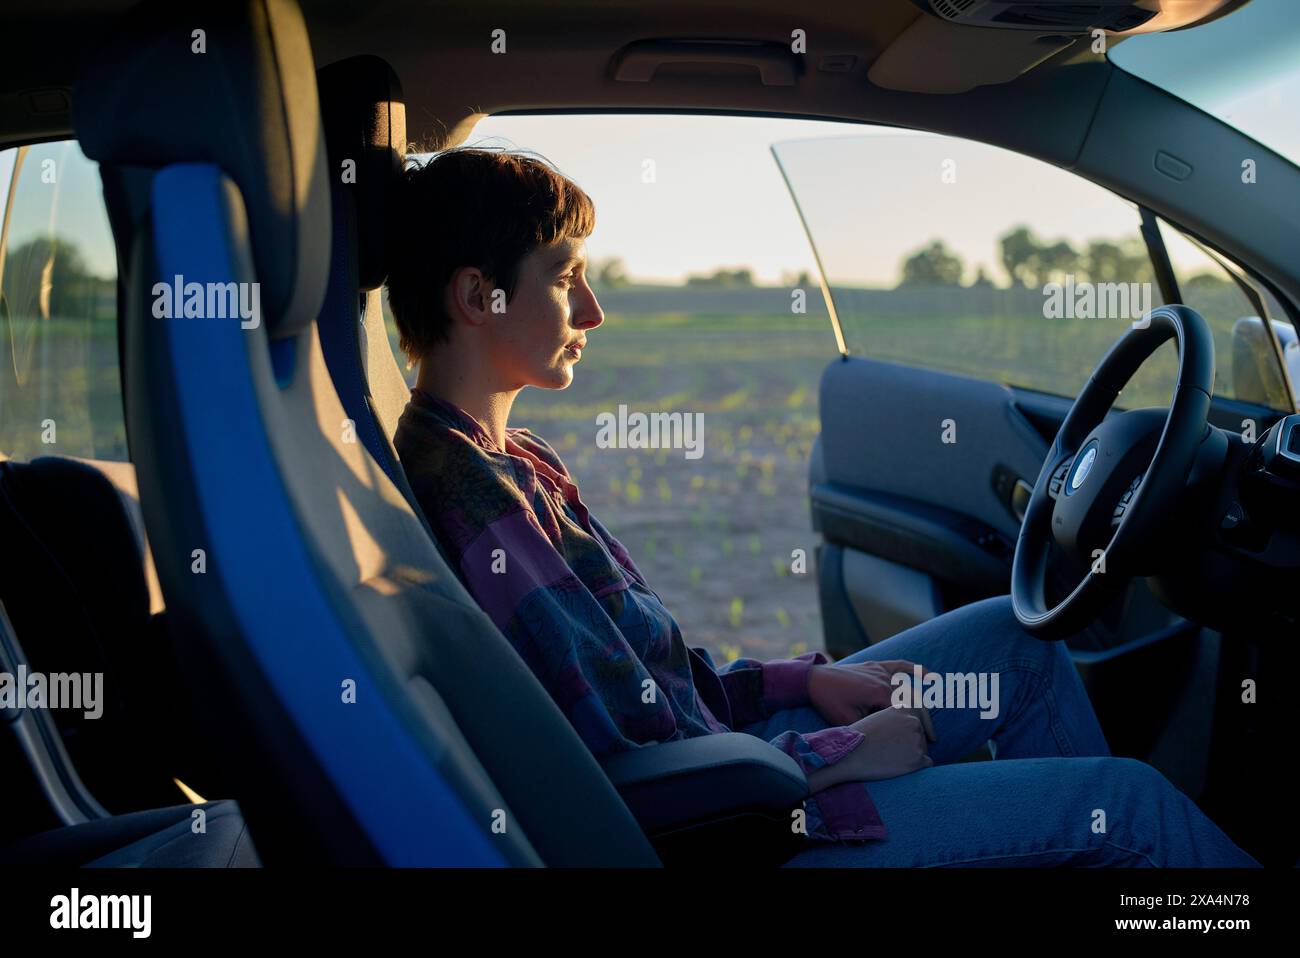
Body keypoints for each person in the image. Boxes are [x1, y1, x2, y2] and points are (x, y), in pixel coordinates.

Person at [386, 146, 1258, 867]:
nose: (594, 310)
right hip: (754, 824)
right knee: (1130, 805)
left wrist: (805, 681)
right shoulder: (471, 492)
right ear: (476, 297)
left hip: (739, 757)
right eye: (566, 277)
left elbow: (655, 684)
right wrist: (840, 759)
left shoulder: (515, 459)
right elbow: (626, 762)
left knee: (1014, 644)